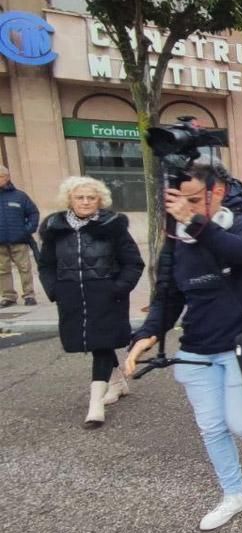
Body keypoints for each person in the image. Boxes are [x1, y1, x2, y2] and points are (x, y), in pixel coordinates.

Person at [123, 156, 242, 531]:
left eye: (191, 199)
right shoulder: (178, 238)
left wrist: (193, 220)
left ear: (216, 191)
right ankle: (235, 493)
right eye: (178, 201)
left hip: (241, 341)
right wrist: (147, 334)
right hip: (196, 348)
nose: (182, 208)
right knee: (211, 427)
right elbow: (168, 295)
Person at [39, 177, 144, 428]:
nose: (85, 202)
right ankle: (117, 383)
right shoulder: (55, 228)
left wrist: (118, 288)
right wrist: (55, 290)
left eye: (91, 197)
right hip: (71, 295)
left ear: (100, 200)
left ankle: (95, 405)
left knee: (101, 343)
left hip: (106, 295)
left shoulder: (112, 226)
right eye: (80, 197)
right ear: (70, 200)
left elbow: (133, 263)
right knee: (97, 343)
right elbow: (46, 265)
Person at [0, 166, 40, 306]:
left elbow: (33, 213)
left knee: (24, 268)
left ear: (7, 177)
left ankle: (29, 295)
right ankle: (8, 297)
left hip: (19, 240)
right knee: (2, 270)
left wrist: (27, 230)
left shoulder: (20, 196)